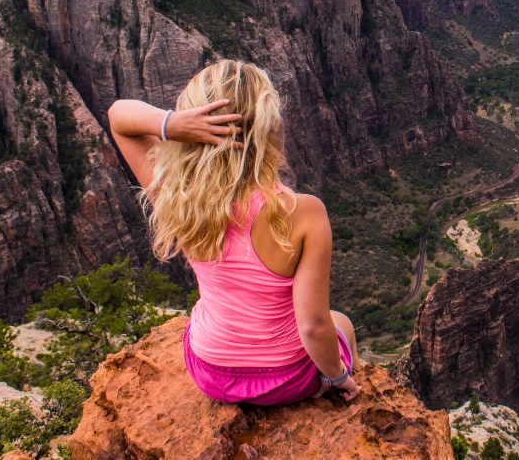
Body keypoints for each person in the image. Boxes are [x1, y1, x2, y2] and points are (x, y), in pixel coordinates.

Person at [107, 59, 361, 404]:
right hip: (286, 381)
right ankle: (350, 393)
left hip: (210, 373)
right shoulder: (304, 213)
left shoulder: (177, 197)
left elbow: (120, 117)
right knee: (339, 322)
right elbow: (313, 326)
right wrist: (336, 375)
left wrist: (172, 124)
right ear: (267, 129)